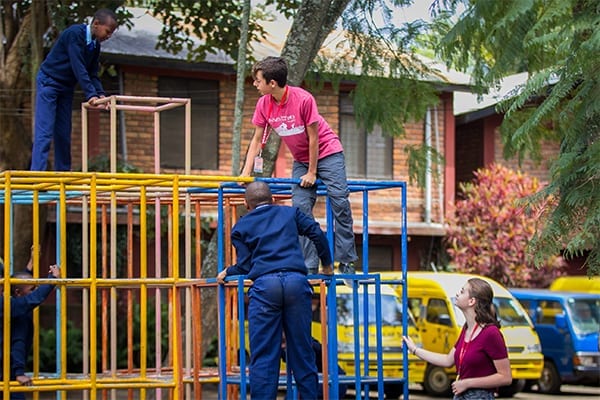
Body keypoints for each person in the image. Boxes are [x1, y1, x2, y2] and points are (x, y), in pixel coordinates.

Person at [240, 56, 358, 274]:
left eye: (258, 81)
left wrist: (313, 172)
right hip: (302, 159)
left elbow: (314, 139)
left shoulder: (303, 99)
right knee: (301, 209)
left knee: (339, 200)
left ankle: (346, 259)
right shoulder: (264, 104)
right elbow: (257, 139)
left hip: (328, 153)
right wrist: (246, 173)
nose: (255, 84)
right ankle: (311, 264)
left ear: (272, 83)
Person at [216, 181, 333, 399]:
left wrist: (228, 271)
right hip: (297, 284)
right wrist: (326, 265)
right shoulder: (290, 213)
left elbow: (245, 265)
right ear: (272, 199)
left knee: (264, 356)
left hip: (265, 286)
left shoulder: (241, 227)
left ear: (246, 204)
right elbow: (317, 232)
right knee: (302, 351)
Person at [31, 8, 118, 171]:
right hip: (49, 82)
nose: (108, 36)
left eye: (111, 33)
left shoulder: (94, 46)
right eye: (107, 31)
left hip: (66, 88)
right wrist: (90, 94)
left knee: (63, 132)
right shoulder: (74, 34)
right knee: (45, 131)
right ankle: (36, 174)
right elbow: (78, 66)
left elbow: (92, 73)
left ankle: (63, 174)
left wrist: (100, 94)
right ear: (96, 24)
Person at [403, 278, 512, 400]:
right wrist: (414, 350)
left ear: (472, 301)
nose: (457, 294)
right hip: (461, 394)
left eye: (462, 291)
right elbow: (447, 360)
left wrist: (467, 383)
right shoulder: (466, 329)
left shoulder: (491, 333)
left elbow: (505, 377)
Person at [0, 265, 60, 399]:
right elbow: (18, 343)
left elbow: (22, 289)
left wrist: (29, 267)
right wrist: (52, 280)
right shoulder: (13, 310)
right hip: (6, 374)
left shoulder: (13, 304)